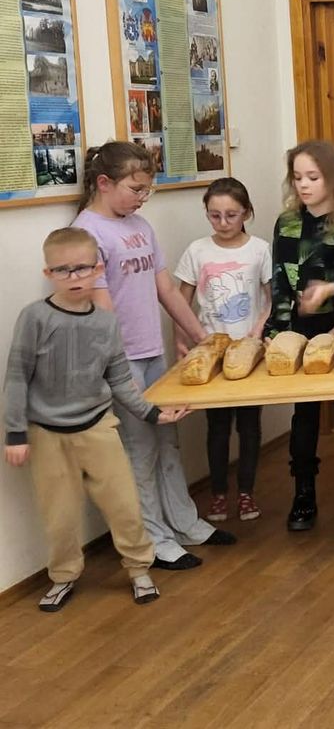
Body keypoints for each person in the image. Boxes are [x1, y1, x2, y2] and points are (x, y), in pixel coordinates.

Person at [4, 228, 188, 611]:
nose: (74, 277)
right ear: (48, 273)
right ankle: (63, 577)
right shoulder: (35, 318)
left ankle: (139, 569)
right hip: (47, 434)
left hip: (98, 427)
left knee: (124, 504)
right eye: (63, 270)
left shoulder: (105, 322)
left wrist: (154, 414)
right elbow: (17, 376)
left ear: (98, 269)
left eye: (82, 269)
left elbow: (120, 379)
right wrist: (15, 433)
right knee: (60, 515)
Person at [73, 141, 233, 569]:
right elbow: (103, 311)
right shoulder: (88, 233)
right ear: (104, 183)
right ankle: (154, 539)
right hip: (120, 363)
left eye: (147, 190)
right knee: (138, 451)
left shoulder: (140, 226)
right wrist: (119, 370)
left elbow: (165, 290)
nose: (143, 197)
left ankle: (185, 521)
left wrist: (203, 337)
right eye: (136, 188)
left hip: (153, 354)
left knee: (168, 440)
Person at [268, 141, 334, 532]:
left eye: (314, 177)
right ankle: (303, 494)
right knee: (304, 417)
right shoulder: (287, 223)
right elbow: (279, 280)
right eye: (298, 177)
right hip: (299, 332)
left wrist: (328, 290)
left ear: (333, 178)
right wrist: (275, 331)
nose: (304, 185)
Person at [174, 178, 271, 522]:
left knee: (249, 426)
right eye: (215, 216)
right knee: (216, 427)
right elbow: (180, 300)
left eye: (231, 215)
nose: (224, 223)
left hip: (248, 350)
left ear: (246, 212)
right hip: (210, 349)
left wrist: (261, 328)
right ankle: (217, 494)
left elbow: (271, 298)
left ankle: (246, 492)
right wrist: (180, 338)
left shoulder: (259, 249)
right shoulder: (197, 250)